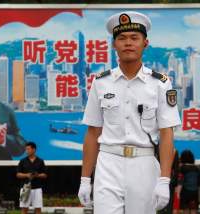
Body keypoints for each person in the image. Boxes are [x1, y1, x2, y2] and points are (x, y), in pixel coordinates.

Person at [78, 11, 181, 214]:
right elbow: (92, 133)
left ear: (145, 43)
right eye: (122, 38)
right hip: (108, 163)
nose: (128, 43)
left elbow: (167, 133)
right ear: (113, 45)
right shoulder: (100, 82)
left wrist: (164, 179)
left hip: (144, 165)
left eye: (134, 38)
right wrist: (84, 179)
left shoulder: (160, 83)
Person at [17, 142, 47, 214]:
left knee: (38, 208)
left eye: (28, 149)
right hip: (25, 188)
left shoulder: (40, 161)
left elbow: (45, 175)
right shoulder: (22, 161)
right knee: (24, 208)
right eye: (26, 149)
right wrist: (26, 175)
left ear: (34, 149)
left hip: (37, 188)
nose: (26, 151)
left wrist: (37, 175)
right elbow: (18, 174)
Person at [177, 150, 200, 214]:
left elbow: (180, 181)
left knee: (185, 209)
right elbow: (198, 183)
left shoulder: (182, 168)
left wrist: (178, 193)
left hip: (185, 192)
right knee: (193, 209)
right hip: (195, 192)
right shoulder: (197, 168)